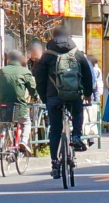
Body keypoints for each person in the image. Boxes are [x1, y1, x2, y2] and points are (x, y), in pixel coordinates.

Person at [33, 24, 95, 167]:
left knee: (55, 130)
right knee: (78, 112)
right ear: (68, 36)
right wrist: (87, 94)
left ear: (53, 37)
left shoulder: (47, 56)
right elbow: (87, 75)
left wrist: (45, 98)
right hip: (74, 96)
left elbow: (40, 79)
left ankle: (55, 161)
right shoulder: (77, 54)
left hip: (53, 97)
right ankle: (76, 136)